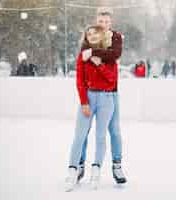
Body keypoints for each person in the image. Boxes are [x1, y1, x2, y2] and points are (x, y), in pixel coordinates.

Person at [75, 8, 127, 189]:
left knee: (114, 130)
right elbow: (83, 57)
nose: (103, 25)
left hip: (111, 92)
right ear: (96, 21)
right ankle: (79, 164)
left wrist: (94, 53)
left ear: (110, 22)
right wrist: (91, 53)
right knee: (84, 132)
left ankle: (117, 165)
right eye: (100, 21)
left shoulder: (116, 37)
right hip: (93, 92)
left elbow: (115, 55)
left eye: (106, 22)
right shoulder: (90, 36)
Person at [65, 25, 118, 192]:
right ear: (86, 38)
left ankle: (96, 171)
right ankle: (72, 171)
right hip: (88, 97)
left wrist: (100, 63)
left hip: (107, 99)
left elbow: (112, 80)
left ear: (101, 35)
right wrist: (84, 102)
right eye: (89, 34)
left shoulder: (108, 55)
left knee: (101, 136)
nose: (92, 36)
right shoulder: (82, 55)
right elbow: (80, 81)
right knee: (79, 135)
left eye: (95, 33)